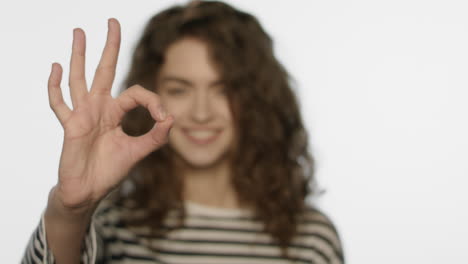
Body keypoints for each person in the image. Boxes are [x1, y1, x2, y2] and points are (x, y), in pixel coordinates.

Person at [22, 1, 344, 263]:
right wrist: (69, 211)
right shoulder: (112, 226)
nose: (201, 114)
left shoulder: (310, 239)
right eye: (180, 89)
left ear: (255, 100)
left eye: (223, 90)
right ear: (150, 95)